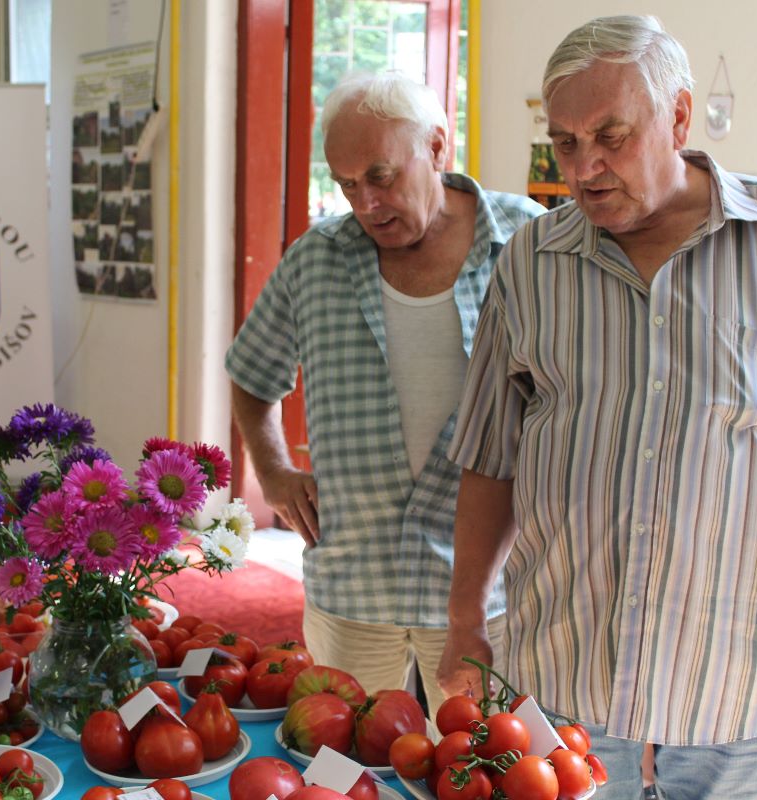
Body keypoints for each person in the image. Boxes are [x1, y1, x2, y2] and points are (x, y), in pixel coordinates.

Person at [436, 14, 757, 800]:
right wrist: (466, 618)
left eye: (611, 135)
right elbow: (491, 451)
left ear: (678, 117)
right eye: (565, 142)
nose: (585, 167)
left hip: (742, 672)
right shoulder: (532, 261)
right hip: (567, 666)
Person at [226, 72, 543, 706]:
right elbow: (252, 374)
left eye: (381, 176)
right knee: (342, 755)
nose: (365, 203)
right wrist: (274, 472)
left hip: (490, 589)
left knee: (481, 756)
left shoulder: (528, 242)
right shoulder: (315, 259)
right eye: (347, 184)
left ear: (437, 147)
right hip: (354, 581)